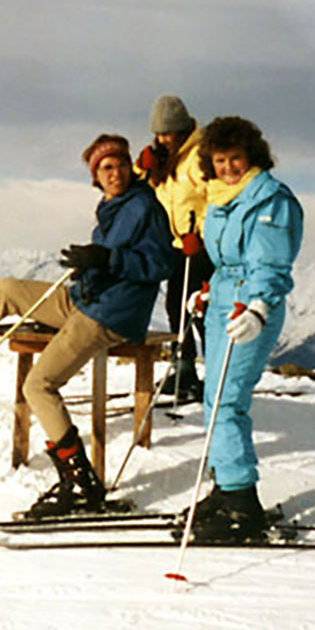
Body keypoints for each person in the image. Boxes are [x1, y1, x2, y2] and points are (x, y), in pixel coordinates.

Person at [0, 134, 174, 518]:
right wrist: (93, 265)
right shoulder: (112, 206)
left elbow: (161, 266)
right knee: (9, 290)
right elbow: (114, 259)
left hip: (112, 315)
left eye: (121, 164)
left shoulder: (144, 206)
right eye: (106, 168)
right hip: (86, 299)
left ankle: (81, 485)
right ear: (95, 176)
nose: (116, 172)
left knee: (38, 385)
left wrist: (108, 259)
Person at [185, 116, 303, 542]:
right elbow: (226, 259)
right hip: (222, 300)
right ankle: (226, 487)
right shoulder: (220, 198)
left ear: (251, 156)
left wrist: (259, 307)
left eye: (236, 158)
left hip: (248, 305)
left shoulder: (269, 199)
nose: (229, 167)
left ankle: (242, 503)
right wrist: (207, 289)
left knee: (228, 400)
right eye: (220, 160)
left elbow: (269, 263)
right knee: (214, 398)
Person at [133, 95, 214, 403]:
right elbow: (153, 189)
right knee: (176, 307)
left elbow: (216, 199)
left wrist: (201, 235)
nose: (162, 138)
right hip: (178, 245)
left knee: (200, 309)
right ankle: (184, 369)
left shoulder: (198, 158)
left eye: (168, 133)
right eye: (158, 133)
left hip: (201, 246)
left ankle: (213, 373)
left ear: (181, 129)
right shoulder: (169, 158)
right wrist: (143, 168)